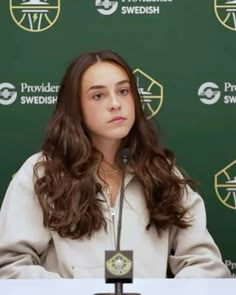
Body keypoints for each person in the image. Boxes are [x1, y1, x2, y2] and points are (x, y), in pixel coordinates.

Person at [0, 50, 231, 279]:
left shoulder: (161, 171)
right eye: (98, 95)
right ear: (75, 107)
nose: (115, 104)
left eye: (123, 91)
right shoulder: (42, 173)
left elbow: (205, 264)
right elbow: (11, 267)